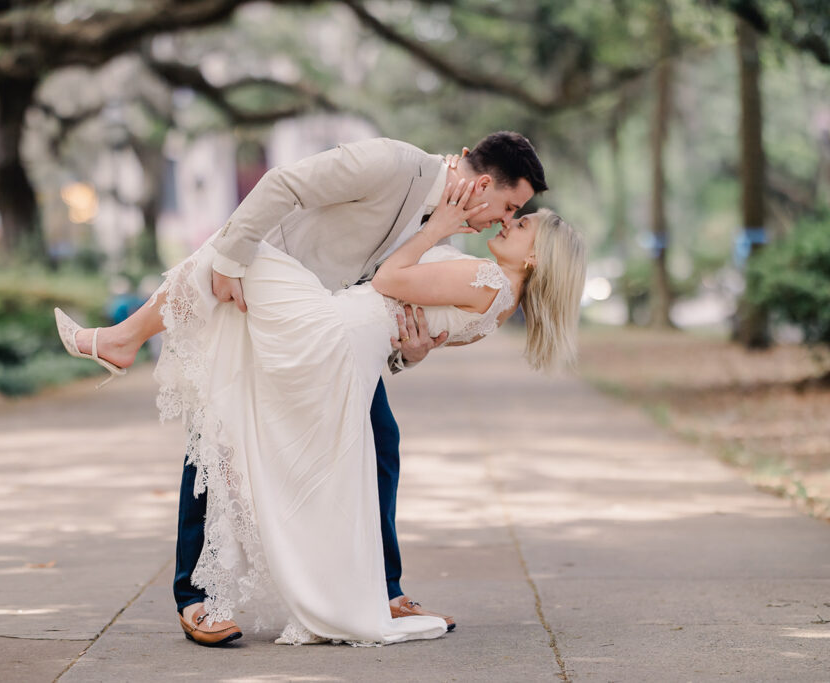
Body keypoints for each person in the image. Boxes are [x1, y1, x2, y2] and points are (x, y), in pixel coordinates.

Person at [56, 169, 587, 645]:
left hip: (330, 335)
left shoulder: (487, 277)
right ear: (480, 176)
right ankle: (220, 589)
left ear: (535, 258)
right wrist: (417, 346)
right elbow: (423, 332)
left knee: (235, 249)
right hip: (343, 344)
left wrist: (436, 232)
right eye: (512, 210)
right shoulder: (496, 297)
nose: (506, 223)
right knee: (238, 409)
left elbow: (387, 284)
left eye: (519, 224)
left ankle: (124, 338)